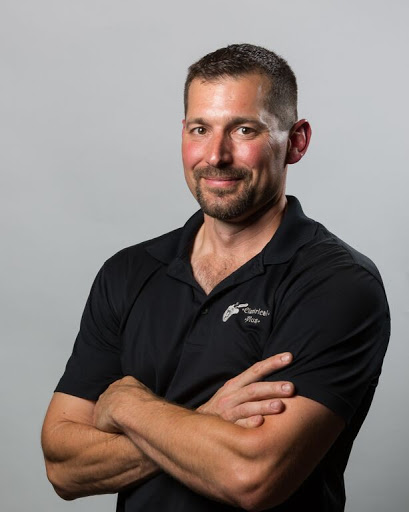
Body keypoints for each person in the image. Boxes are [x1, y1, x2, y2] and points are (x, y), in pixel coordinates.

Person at [41, 44, 390, 511]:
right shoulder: (128, 271)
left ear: (296, 142)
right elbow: (63, 467)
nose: (216, 155)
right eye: (200, 129)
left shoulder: (337, 284)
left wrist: (128, 405)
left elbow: (252, 476)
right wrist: (206, 419)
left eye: (244, 129)